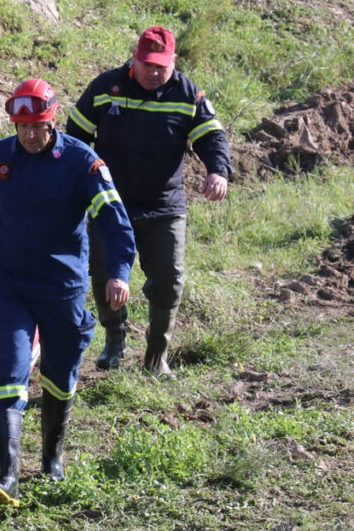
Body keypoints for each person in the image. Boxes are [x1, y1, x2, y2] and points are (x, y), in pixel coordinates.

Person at [0, 78, 136, 506]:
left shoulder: (81, 162)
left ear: (52, 120)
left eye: (38, 126)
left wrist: (119, 272)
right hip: (11, 284)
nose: (30, 135)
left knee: (59, 375)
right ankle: (7, 477)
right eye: (22, 126)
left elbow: (114, 220)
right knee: (9, 369)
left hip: (62, 288)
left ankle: (51, 460)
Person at [66, 26, 232, 378]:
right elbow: (75, 137)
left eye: (161, 66)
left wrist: (218, 171)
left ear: (174, 61)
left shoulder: (188, 94)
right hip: (110, 203)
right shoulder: (105, 88)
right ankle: (115, 337)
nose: (153, 72)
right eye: (147, 65)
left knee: (169, 280)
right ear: (134, 59)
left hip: (164, 205)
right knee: (104, 273)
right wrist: (73, 184)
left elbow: (211, 136)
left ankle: (157, 356)